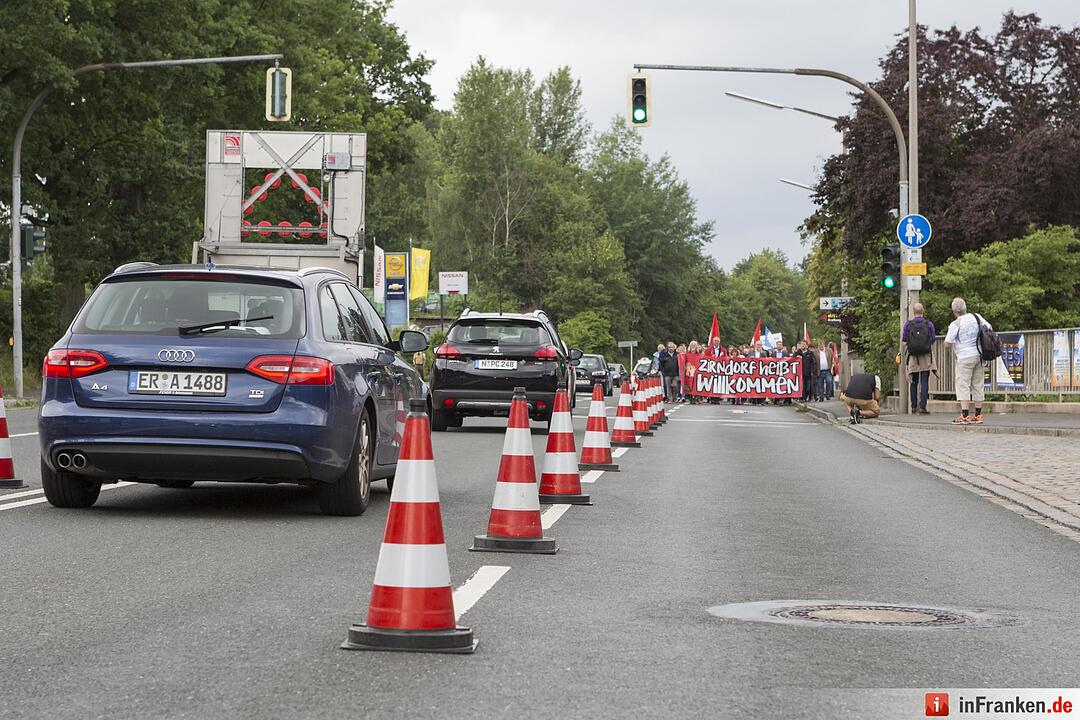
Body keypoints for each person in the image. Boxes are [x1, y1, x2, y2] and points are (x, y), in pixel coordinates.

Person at [944, 297, 991, 424]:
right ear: (965, 308)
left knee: (963, 385)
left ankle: (965, 415)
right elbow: (989, 328)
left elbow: (947, 343)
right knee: (978, 385)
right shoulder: (977, 317)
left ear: (954, 311)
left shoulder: (955, 324)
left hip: (964, 357)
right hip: (979, 355)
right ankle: (978, 415)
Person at [901, 302, 936, 414]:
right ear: (923, 311)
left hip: (913, 356)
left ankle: (913, 407)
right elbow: (933, 339)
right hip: (925, 355)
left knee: (913, 381)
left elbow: (904, 340)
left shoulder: (908, 324)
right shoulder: (928, 324)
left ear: (913, 311)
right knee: (924, 381)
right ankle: (923, 407)